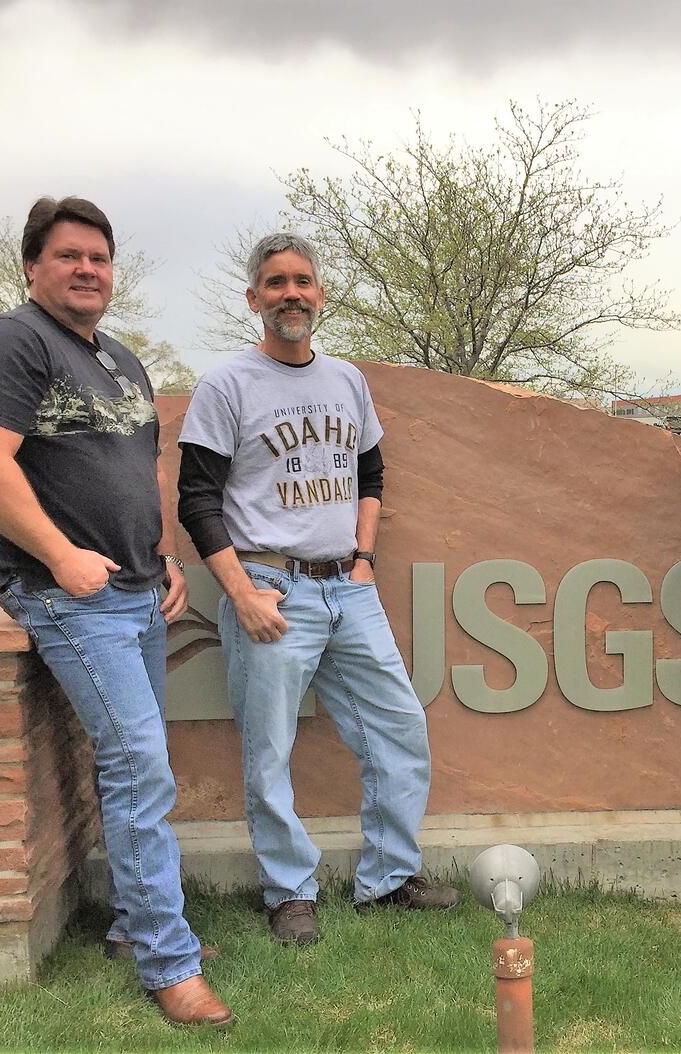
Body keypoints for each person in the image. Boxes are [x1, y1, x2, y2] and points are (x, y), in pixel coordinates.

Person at [0, 196, 231, 1027]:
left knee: (136, 769)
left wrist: (164, 556)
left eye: (98, 259)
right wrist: (61, 553)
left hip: (139, 593)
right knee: (141, 766)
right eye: (69, 256)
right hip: (76, 601)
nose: (86, 270)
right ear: (33, 267)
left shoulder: (120, 360)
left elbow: (136, 471)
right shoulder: (11, 342)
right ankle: (168, 962)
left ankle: (138, 922)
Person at [177, 232, 459, 945]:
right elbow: (197, 500)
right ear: (254, 298)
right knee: (269, 750)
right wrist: (241, 593)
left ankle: (389, 877)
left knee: (400, 728)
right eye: (275, 283)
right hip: (270, 587)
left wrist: (363, 558)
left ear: (320, 294)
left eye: (302, 281)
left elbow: (372, 475)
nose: (291, 294)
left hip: (347, 587)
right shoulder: (227, 385)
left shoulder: (347, 381)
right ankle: (289, 891)